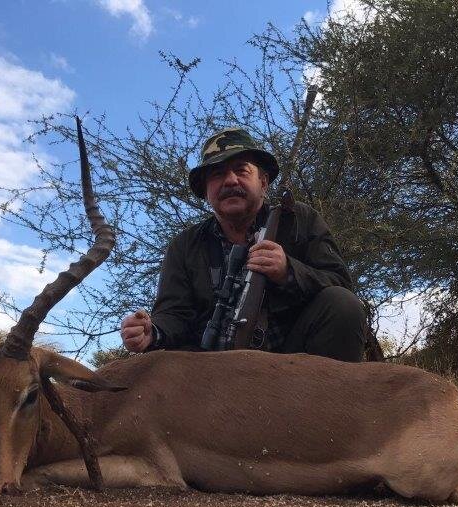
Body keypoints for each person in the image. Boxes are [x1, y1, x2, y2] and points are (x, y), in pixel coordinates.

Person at [120, 127, 366, 361]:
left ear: (264, 182)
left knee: (342, 304)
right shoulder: (184, 245)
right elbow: (174, 314)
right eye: (217, 174)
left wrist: (288, 272)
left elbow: (339, 281)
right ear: (206, 191)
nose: (230, 181)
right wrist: (152, 332)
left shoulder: (301, 220)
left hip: (292, 367)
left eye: (241, 170)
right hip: (208, 376)